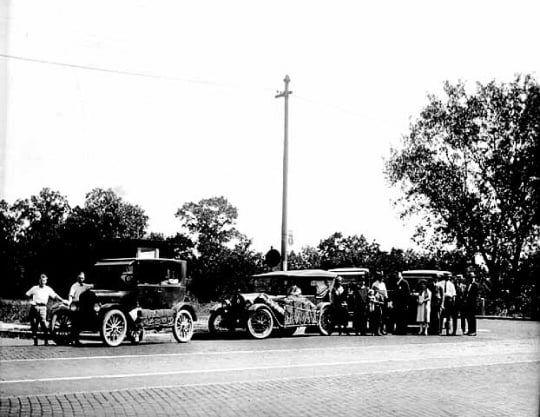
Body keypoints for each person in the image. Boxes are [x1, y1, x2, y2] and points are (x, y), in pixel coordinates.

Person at [26, 274, 67, 346]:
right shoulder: (34, 288)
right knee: (34, 324)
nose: (42, 282)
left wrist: (63, 300)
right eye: (41, 280)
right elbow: (27, 294)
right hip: (35, 307)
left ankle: (46, 341)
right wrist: (30, 301)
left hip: (43, 307)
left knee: (44, 324)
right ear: (39, 280)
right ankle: (35, 341)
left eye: (44, 280)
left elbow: (55, 295)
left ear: (46, 281)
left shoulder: (48, 289)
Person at [68, 272, 92, 345]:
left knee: (80, 323)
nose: (81, 279)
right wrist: (70, 303)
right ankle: (74, 339)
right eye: (80, 278)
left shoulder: (85, 286)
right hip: (76, 305)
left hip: (83, 306)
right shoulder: (74, 286)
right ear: (77, 278)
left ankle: (76, 339)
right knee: (75, 323)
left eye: (82, 278)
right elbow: (71, 295)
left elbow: (91, 286)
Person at [464, 271, 479, 336]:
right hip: (468, 303)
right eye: (470, 277)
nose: (471, 278)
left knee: (472, 317)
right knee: (468, 317)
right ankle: (470, 329)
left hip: (472, 303)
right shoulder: (468, 285)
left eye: (472, 277)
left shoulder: (475, 285)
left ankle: (473, 331)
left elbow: (476, 295)